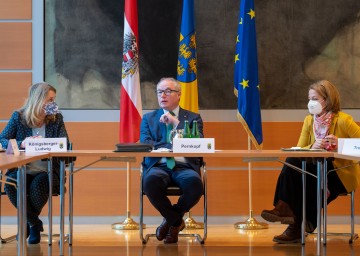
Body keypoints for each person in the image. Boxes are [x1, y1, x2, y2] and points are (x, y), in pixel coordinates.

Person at [261, 80, 360, 243]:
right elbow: (300, 149)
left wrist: (339, 143)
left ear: (327, 100)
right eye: (309, 99)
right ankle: (287, 212)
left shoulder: (344, 120)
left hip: (339, 173)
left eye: (315, 98)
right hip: (315, 169)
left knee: (310, 174)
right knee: (292, 161)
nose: (311, 103)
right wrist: (312, 145)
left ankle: (291, 217)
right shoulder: (309, 120)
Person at [0, 82, 70, 244]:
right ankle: (34, 223)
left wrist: (47, 144)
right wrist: (22, 143)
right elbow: (2, 140)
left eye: (54, 100)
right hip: (22, 168)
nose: (53, 104)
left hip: (47, 170)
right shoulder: (18, 116)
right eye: (50, 100)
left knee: (37, 186)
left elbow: (65, 143)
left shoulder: (56, 118)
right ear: (38, 100)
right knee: (11, 184)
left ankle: (29, 224)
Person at [140, 77, 203, 244]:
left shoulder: (193, 118)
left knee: (195, 185)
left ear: (179, 95)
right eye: (160, 92)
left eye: (168, 91)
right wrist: (172, 145)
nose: (163, 95)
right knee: (150, 182)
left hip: (184, 166)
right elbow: (146, 143)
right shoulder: (148, 118)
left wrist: (177, 125)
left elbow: (198, 143)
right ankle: (176, 222)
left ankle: (169, 220)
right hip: (159, 164)